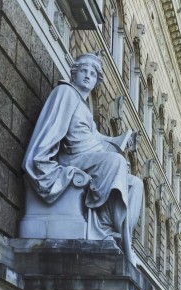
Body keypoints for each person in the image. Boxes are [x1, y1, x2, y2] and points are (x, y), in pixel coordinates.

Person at [23, 52, 144, 264]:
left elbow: (95, 139)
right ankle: (107, 228)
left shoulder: (84, 108)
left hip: (88, 158)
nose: (88, 76)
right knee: (115, 163)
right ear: (74, 74)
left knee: (136, 183)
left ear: (97, 81)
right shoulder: (65, 93)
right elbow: (51, 132)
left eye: (93, 74)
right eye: (84, 71)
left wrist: (120, 141)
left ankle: (118, 235)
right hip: (72, 159)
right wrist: (45, 165)